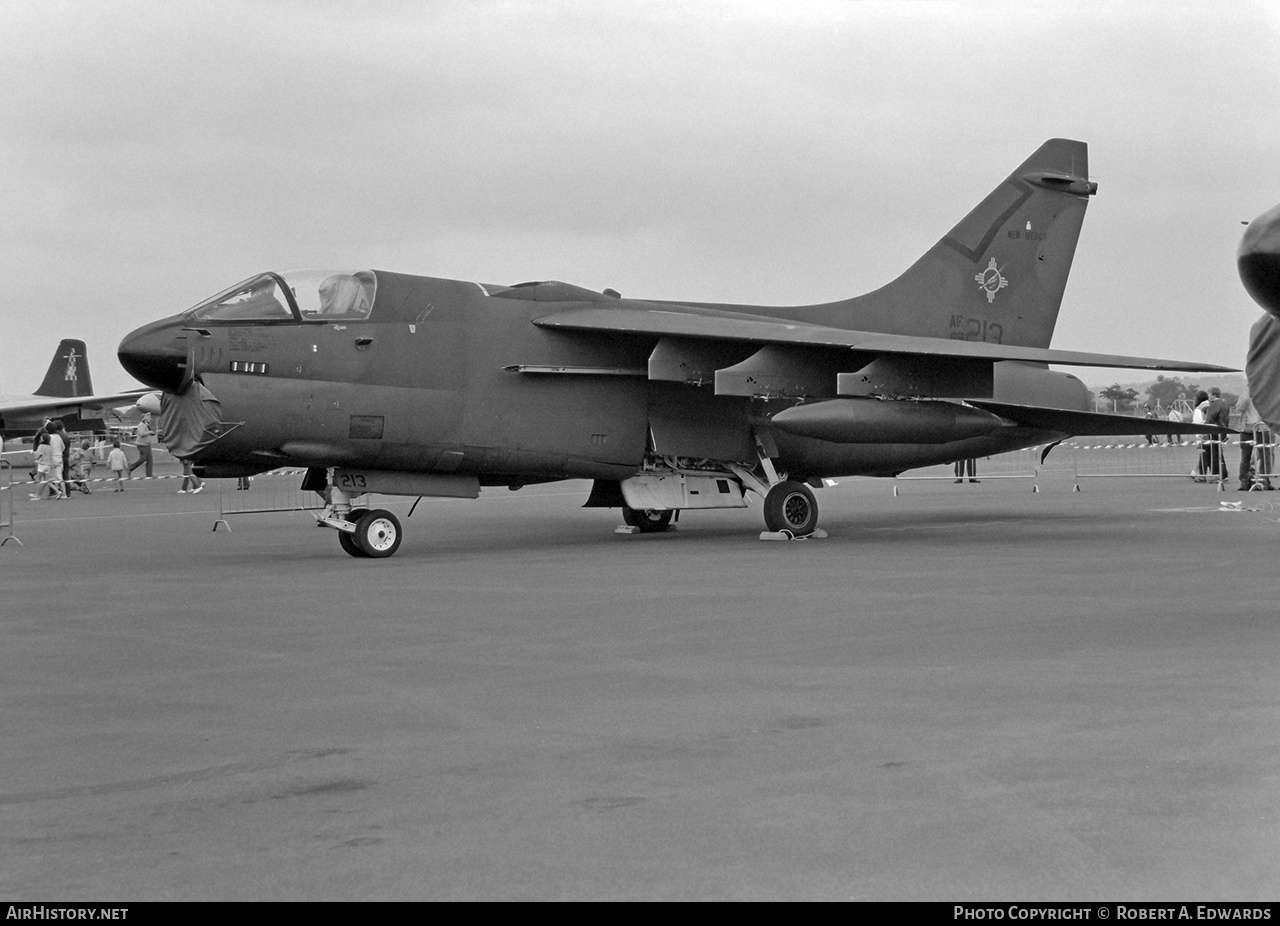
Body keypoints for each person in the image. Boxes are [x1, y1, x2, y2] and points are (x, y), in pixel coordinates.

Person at [1235, 390, 1272, 490]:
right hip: (1247, 428)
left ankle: (1265, 480)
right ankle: (1244, 481)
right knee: (1245, 456)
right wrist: (1247, 396)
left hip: (1262, 428)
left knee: (1265, 455)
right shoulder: (1245, 395)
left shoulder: (1265, 394)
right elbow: (1239, 408)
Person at [1204, 387, 1231, 483]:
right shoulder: (1224, 403)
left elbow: (1210, 417)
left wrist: (1204, 428)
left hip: (1214, 430)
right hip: (1223, 430)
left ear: (1214, 394)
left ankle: (1218, 474)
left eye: (1209, 395)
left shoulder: (1214, 404)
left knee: (1214, 454)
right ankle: (1223, 474)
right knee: (1219, 453)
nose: (1208, 397)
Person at [128, 413, 155, 478]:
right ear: (145, 418)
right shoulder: (141, 425)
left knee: (150, 459)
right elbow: (142, 433)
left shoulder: (146, 425)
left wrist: (151, 433)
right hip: (142, 444)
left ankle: (149, 474)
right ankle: (130, 468)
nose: (150, 419)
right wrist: (150, 432)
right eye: (149, 418)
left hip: (147, 444)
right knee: (143, 458)